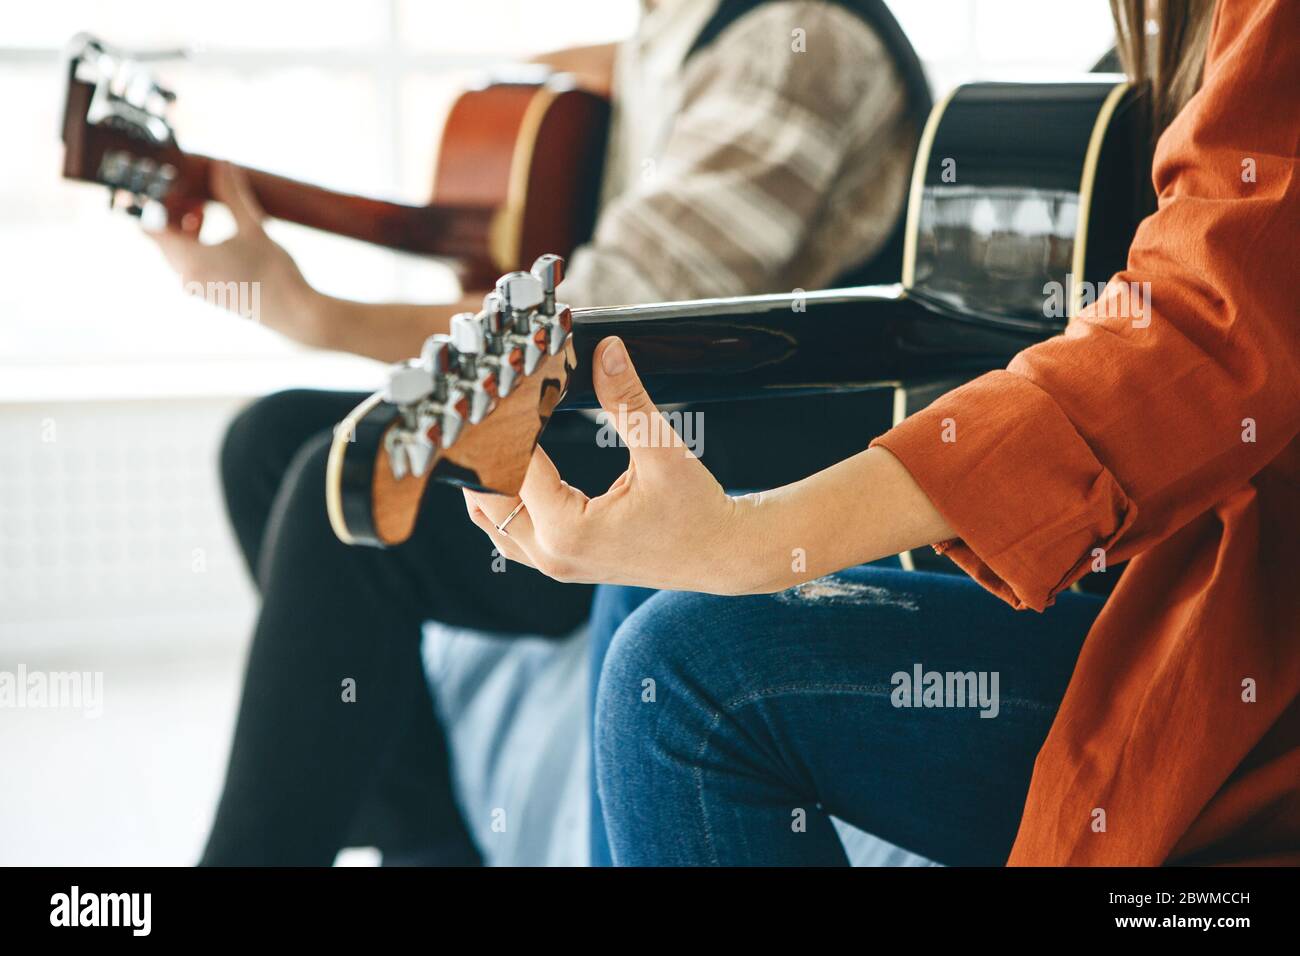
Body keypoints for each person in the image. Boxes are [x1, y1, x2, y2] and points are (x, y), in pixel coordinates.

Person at [464, 0, 1300, 865]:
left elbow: (1202, 328)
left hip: (1259, 631)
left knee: (688, 675)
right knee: (639, 590)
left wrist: (759, 542)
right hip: (1179, 563)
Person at [148, 0, 930, 864]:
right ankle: (432, 847)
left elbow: (593, 317)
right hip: (638, 416)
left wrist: (310, 312)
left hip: (742, 463)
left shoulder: (800, 41)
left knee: (327, 498)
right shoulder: (682, 27)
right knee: (268, 441)